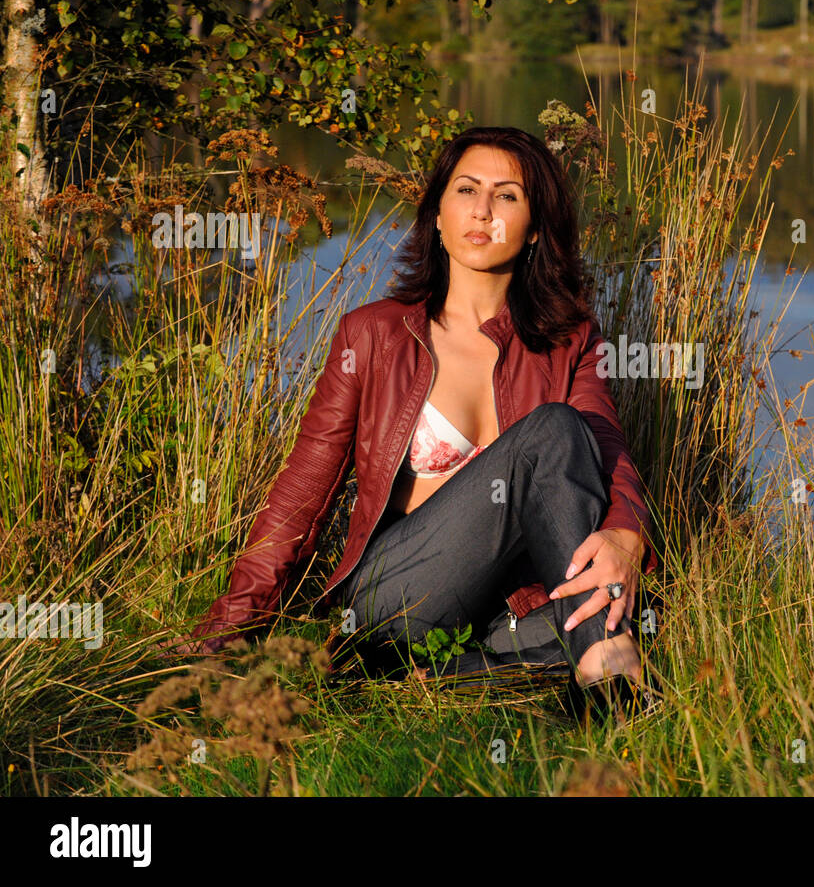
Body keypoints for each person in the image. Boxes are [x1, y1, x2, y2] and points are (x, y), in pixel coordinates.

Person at [168, 126, 659, 708]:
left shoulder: (569, 339)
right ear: (438, 215)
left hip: (510, 603)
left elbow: (607, 448)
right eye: (466, 190)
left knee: (624, 617)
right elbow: (303, 492)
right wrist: (228, 629)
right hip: (399, 593)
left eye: (507, 196)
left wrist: (627, 534)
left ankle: (431, 676)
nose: (482, 210)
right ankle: (603, 663)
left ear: (534, 229)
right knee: (552, 430)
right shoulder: (373, 334)